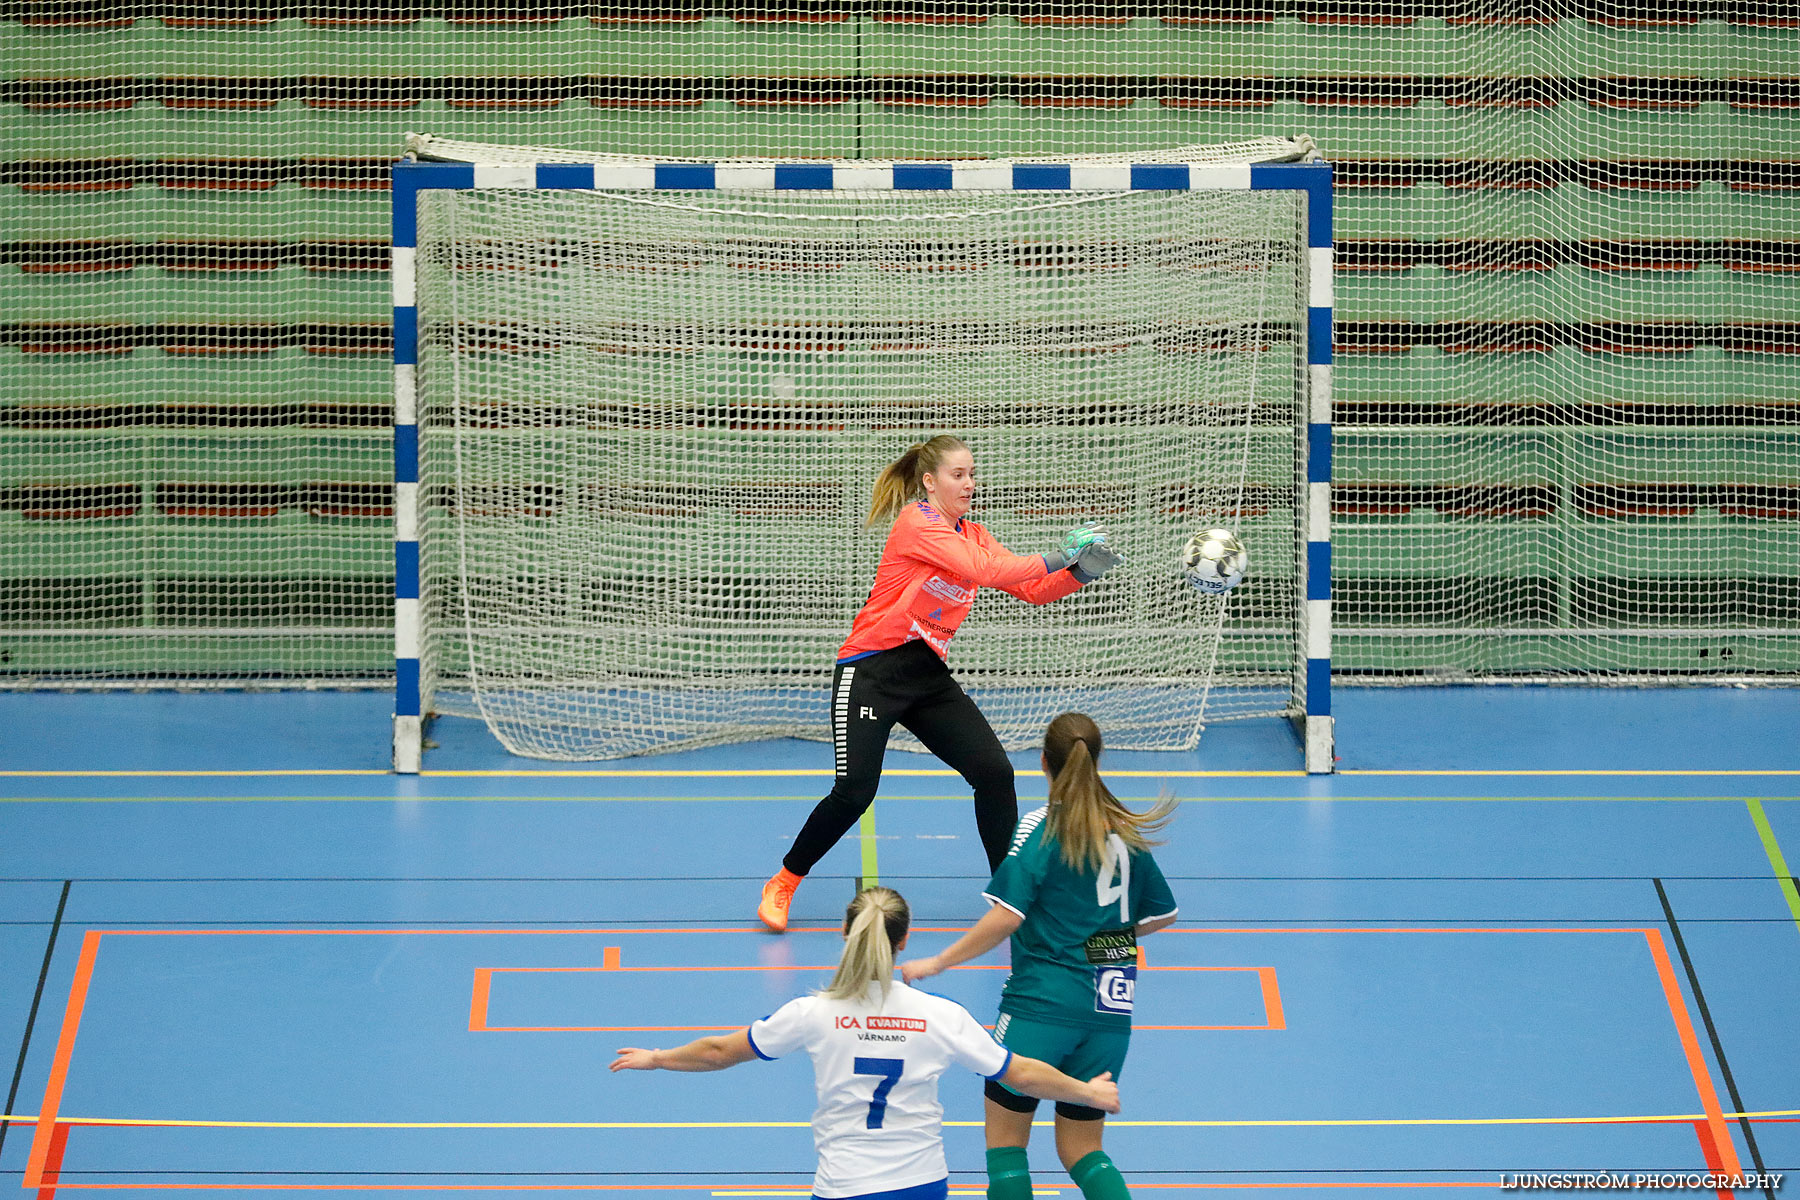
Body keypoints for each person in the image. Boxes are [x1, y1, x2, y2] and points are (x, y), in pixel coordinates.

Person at [758, 435, 1124, 933]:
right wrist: (1061, 552)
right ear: (930, 482)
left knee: (994, 772)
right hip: (871, 671)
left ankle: (1010, 896)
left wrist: (1080, 572)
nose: (969, 483)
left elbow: (1031, 588)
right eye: (958, 475)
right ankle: (784, 879)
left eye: (973, 474)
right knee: (854, 791)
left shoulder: (975, 533)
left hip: (926, 677)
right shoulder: (918, 524)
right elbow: (986, 571)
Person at [611, 886, 1122, 1200]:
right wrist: (1086, 1092)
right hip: (924, 1185)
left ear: (844, 933)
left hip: (845, 1187)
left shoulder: (812, 1013)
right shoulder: (940, 1016)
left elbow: (720, 1051)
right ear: (904, 940)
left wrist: (656, 1059)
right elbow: (1021, 1073)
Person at [898, 713, 1178, 1200]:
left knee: (1007, 1146)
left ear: (1044, 763)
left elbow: (1006, 915)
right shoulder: (1127, 833)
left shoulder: (1041, 826)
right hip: (1110, 1012)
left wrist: (938, 962)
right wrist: (1098, 939)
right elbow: (1161, 916)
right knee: (1082, 1150)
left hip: (1041, 1005)